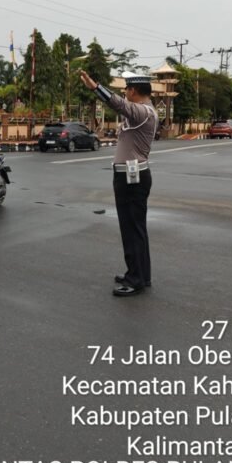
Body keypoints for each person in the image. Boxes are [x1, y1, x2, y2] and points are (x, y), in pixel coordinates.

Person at [79, 70, 157, 297]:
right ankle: (141, 273)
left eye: (127, 90)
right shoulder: (144, 112)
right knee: (136, 228)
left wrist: (96, 88)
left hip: (132, 179)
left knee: (131, 228)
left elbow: (118, 105)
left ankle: (136, 279)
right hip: (132, 176)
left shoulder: (143, 111)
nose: (125, 94)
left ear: (133, 91)